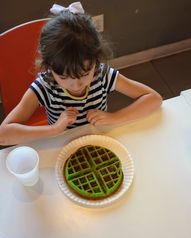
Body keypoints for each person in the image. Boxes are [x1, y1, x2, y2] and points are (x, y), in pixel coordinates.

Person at [0, 2, 162, 146]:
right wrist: (54, 129)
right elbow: (3, 135)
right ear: (48, 67)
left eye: (85, 74)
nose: (76, 85)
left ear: (96, 60)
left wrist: (114, 117)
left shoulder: (102, 74)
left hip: (99, 140)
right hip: (62, 145)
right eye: (64, 77)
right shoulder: (45, 85)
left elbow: (153, 98)